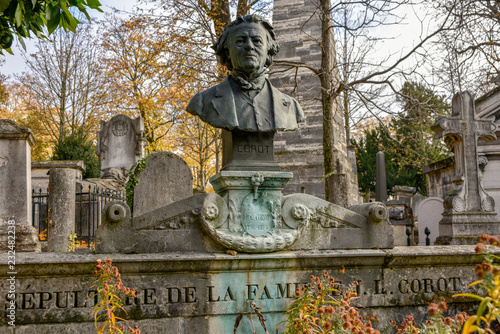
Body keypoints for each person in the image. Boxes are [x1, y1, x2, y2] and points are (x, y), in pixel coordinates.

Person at [186, 14, 304, 132]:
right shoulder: (202, 101)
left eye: (257, 41)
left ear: (268, 51)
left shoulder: (291, 106)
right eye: (240, 41)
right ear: (227, 52)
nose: (249, 46)